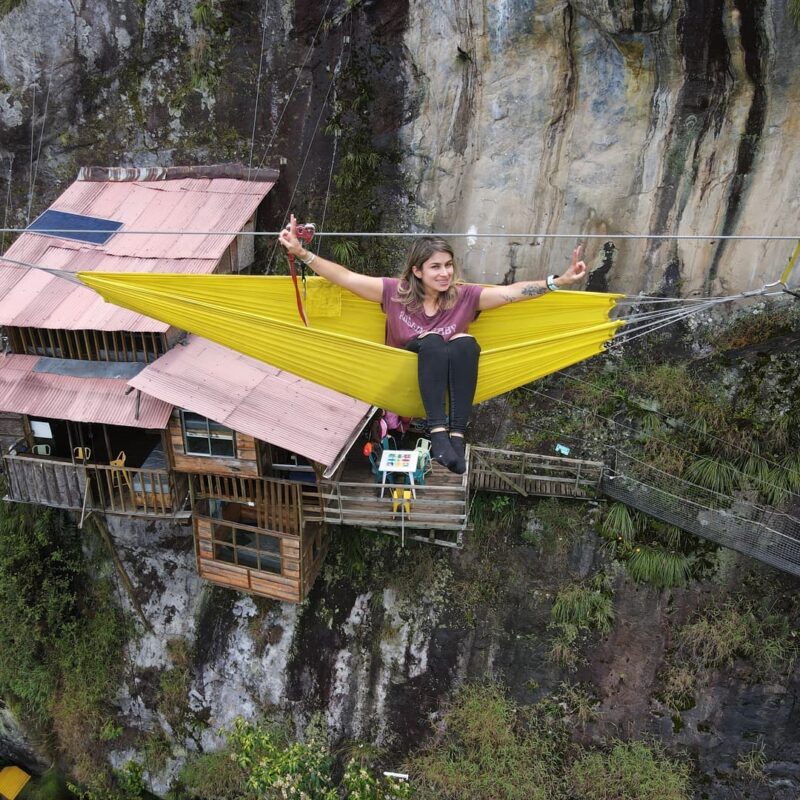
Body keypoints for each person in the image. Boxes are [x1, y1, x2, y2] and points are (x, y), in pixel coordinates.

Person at [278, 216, 587, 474]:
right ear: (417, 271)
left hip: (441, 378)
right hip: (399, 373)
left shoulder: (465, 297)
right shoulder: (394, 292)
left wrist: (557, 282)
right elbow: (346, 277)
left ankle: (456, 435)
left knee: (466, 344)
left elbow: (512, 292)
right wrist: (302, 253)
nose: (445, 273)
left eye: (448, 265)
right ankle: (438, 435)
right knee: (435, 341)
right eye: (436, 267)